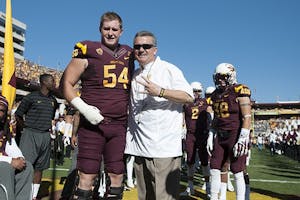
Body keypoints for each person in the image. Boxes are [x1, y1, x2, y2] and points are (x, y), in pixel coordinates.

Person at [60, 11, 134, 199]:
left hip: (119, 124)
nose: (110, 33)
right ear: (100, 29)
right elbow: (66, 84)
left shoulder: (130, 53)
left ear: (121, 31)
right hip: (92, 125)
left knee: (117, 174)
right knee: (87, 174)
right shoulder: (87, 49)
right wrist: (84, 108)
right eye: (106, 28)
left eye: (114, 29)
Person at [125, 30, 194, 200]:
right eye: (137, 46)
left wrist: (160, 91)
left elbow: (189, 96)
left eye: (146, 46)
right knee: (145, 197)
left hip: (163, 149)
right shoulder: (134, 74)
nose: (141, 50)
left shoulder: (168, 69)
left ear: (155, 49)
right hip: (140, 148)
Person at [206, 63, 252, 200]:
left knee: (237, 170)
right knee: (214, 167)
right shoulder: (215, 95)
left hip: (235, 134)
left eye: (223, 77)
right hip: (220, 135)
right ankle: (214, 197)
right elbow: (217, 119)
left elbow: (247, 116)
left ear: (231, 76)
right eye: (217, 77)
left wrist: (243, 136)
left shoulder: (239, 90)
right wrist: (210, 133)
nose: (219, 80)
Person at [15, 73, 58, 200]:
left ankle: (34, 196)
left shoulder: (53, 100)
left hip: (45, 135)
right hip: (30, 134)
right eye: (52, 81)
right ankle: (21, 192)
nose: (54, 83)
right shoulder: (30, 97)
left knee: (40, 167)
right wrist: (25, 129)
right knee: (26, 165)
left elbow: (50, 117)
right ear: (44, 82)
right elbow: (18, 115)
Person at [180, 82, 212, 198]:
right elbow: (182, 117)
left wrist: (211, 131)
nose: (196, 93)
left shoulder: (206, 102)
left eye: (198, 91)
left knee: (204, 162)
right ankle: (190, 187)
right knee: (190, 161)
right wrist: (182, 128)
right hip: (190, 134)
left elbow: (211, 113)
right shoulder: (186, 102)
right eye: (194, 90)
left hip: (202, 134)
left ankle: (208, 188)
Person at [0, 95, 33, 200]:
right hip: (3, 163)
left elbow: (11, 145)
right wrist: (10, 160)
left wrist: (19, 158)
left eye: (1, 110)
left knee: (27, 167)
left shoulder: (3, 128)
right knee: (5, 167)